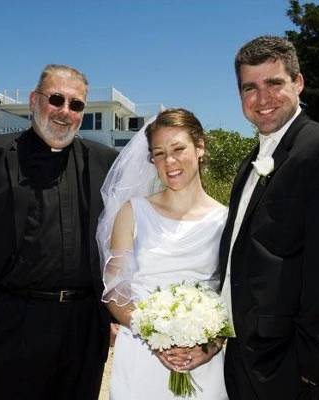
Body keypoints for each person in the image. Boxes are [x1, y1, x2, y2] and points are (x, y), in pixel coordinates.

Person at [0, 64, 117, 400]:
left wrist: (113, 312)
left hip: (82, 326)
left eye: (76, 105)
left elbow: (120, 240)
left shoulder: (104, 161)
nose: (65, 112)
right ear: (34, 100)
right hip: (9, 321)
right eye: (56, 100)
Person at [219, 36, 319, 400]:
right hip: (242, 353)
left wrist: (313, 367)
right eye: (249, 88)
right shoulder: (250, 161)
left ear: (298, 83)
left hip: (289, 363)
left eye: (274, 83)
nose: (262, 98)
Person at [98, 108, 229, 399]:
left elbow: (232, 295)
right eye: (158, 153)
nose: (169, 161)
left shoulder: (225, 220)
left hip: (201, 360)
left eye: (178, 148)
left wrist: (212, 344)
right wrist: (153, 334)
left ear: (200, 147)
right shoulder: (132, 212)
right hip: (142, 355)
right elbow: (115, 291)